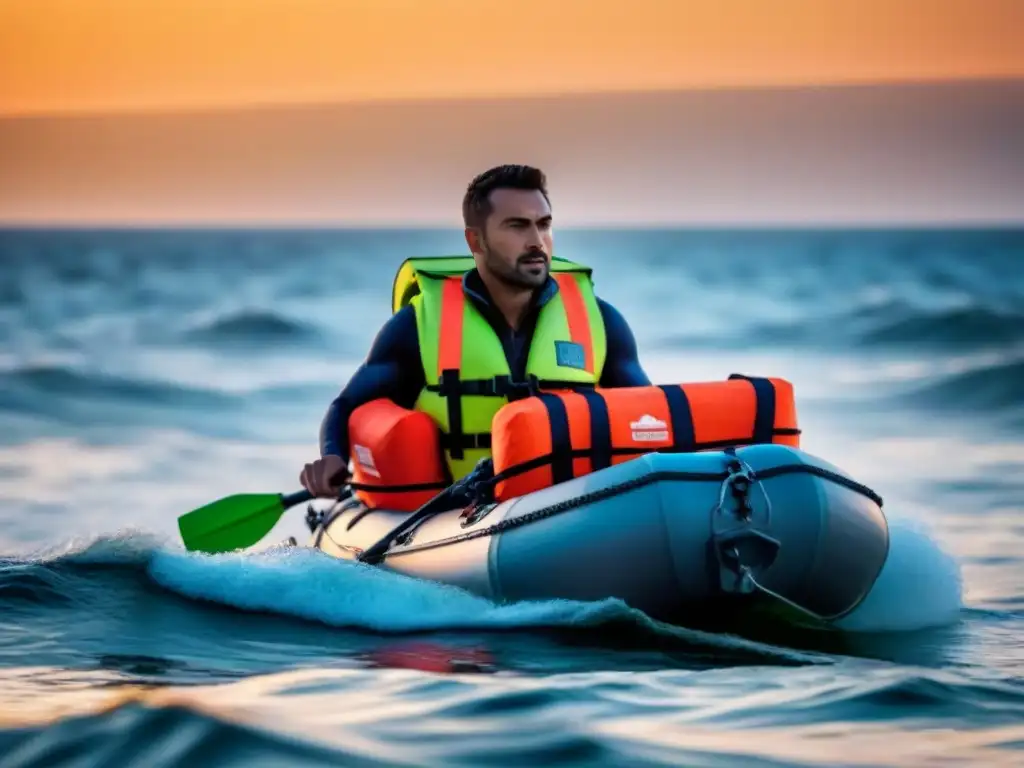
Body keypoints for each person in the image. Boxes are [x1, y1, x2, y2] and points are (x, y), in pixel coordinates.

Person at [300, 164, 651, 497]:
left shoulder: (601, 321)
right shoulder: (417, 327)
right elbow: (347, 405)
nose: (537, 241)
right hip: (456, 517)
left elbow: (648, 415)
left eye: (543, 225)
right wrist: (332, 457)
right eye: (517, 226)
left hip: (578, 503)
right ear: (476, 241)